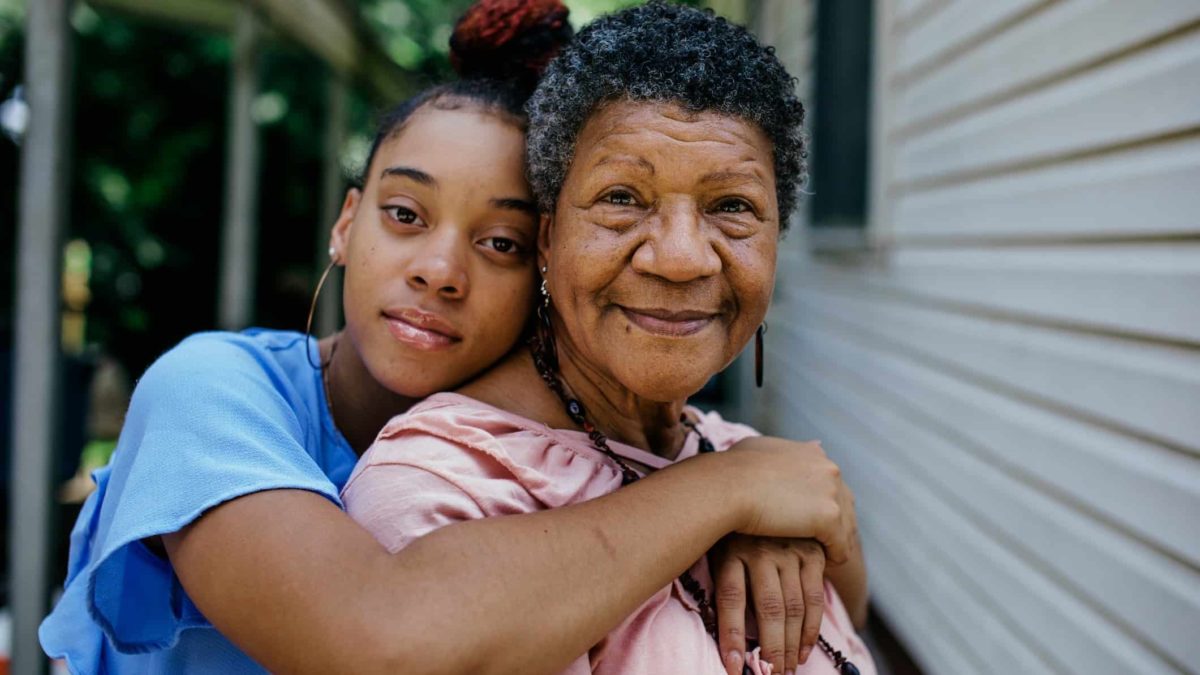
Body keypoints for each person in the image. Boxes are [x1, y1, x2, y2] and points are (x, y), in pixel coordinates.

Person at [40, 2, 862, 674]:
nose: (439, 269)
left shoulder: (581, 447)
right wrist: (730, 491)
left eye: (498, 241)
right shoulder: (215, 389)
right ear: (346, 222)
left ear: (544, 260)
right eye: (405, 215)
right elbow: (376, 634)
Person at [341, 4, 873, 675]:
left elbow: (851, 608)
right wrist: (731, 491)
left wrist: (794, 512)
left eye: (732, 206)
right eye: (622, 196)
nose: (682, 258)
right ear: (548, 237)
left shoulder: (756, 465)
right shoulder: (445, 488)